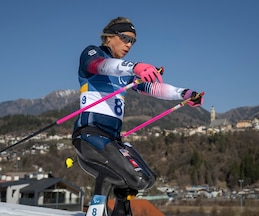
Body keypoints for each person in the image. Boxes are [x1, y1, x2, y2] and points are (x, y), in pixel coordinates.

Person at [72, 16, 203, 216]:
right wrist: (134, 66)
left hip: (112, 139)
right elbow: (100, 65)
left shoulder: (123, 73)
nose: (129, 44)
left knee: (145, 179)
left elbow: (152, 87)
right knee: (125, 176)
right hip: (90, 136)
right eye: (125, 38)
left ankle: (122, 211)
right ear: (109, 36)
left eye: (132, 41)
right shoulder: (93, 54)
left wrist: (184, 93)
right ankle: (96, 210)